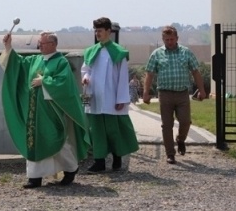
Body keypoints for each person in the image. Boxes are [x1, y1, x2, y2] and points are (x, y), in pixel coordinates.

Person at [0, 31, 90, 188]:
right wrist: (8, 46)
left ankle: (71, 169)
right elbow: (17, 64)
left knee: (56, 140)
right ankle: (34, 177)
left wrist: (46, 81)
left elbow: (65, 84)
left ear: (53, 45)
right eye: (39, 43)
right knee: (34, 141)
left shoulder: (61, 62)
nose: (39, 46)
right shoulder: (35, 59)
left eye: (42, 44)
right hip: (33, 111)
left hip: (51, 111)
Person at [143, 25, 208, 164]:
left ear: (177, 38)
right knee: (167, 125)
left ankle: (180, 139)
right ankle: (170, 154)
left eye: (172, 39)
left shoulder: (186, 53)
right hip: (165, 94)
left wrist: (202, 90)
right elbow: (149, 73)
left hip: (182, 93)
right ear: (163, 39)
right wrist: (146, 92)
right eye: (166, 39)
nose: (169, 42)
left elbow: (195, 71)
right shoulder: (157, 54)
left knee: (185, 121)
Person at [81, 17, 139, 172]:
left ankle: (117, 157)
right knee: (97, 129)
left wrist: (121, 98)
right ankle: (99, 161)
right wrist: (85, 78)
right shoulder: (91, 51)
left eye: (100, 30)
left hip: (112, 97)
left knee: (114, 129)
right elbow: (86, 70)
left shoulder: (118, 52)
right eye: (95, 30)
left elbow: (122, 77)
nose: (97, 33)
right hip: (95, 97)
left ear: (108, 31)